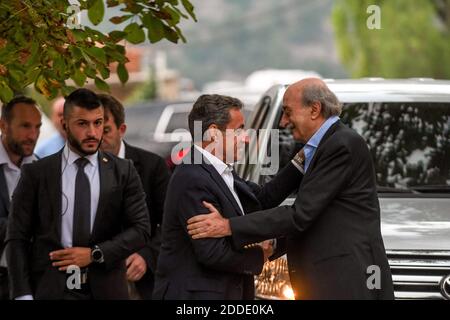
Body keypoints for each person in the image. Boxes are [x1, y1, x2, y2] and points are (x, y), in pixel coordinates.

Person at [187, 79, 395, 300]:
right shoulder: (320, 147)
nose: (284, 121)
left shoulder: (340, 145)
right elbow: (271, 199)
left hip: (345, 279)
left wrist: (228, 226)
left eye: (287, 112)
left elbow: (300, 215)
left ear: (314, 109)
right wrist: (274, 245)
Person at [6, 88, 151, 300]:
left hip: (106, 289)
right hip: (51, 289)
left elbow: (141, 229)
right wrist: (22, 294)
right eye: (82, 123)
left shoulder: (123, 171)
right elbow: (16, 237)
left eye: (98, 123)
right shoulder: (37, 173)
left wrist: (95, 254)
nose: (92, 132)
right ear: (65, 125)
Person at [153, 94, 303, 300]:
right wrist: (261, 255)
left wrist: (301, 161)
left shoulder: (218, 171)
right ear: (214, 133)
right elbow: (212, 253)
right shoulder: (193, 177)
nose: (246, 137)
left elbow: (261, 199)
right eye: (239, 129)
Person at [98, 94, 170, 299]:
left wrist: (147, 256)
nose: (97, 137)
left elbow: (171, 222)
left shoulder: (152, 166)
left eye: (105, 130)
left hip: (144, 281)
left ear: (121, 130)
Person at [0, 96, 42, 300]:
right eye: (25, 126)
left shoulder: (42, 169)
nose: (33, 135)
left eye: (37, 127)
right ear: (3, 126)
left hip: (32, 282)